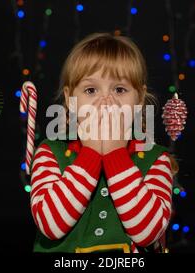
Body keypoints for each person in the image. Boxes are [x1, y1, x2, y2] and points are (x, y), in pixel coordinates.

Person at [30, 32, 178, 253]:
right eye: (91, 90)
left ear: (139, 99)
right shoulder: (49, 153)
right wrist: (90, 153)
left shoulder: (156, 159)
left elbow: (148, 233)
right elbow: (51, 226)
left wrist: (115, 153)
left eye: (120, 89)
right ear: (71, 100)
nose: (106, 101)